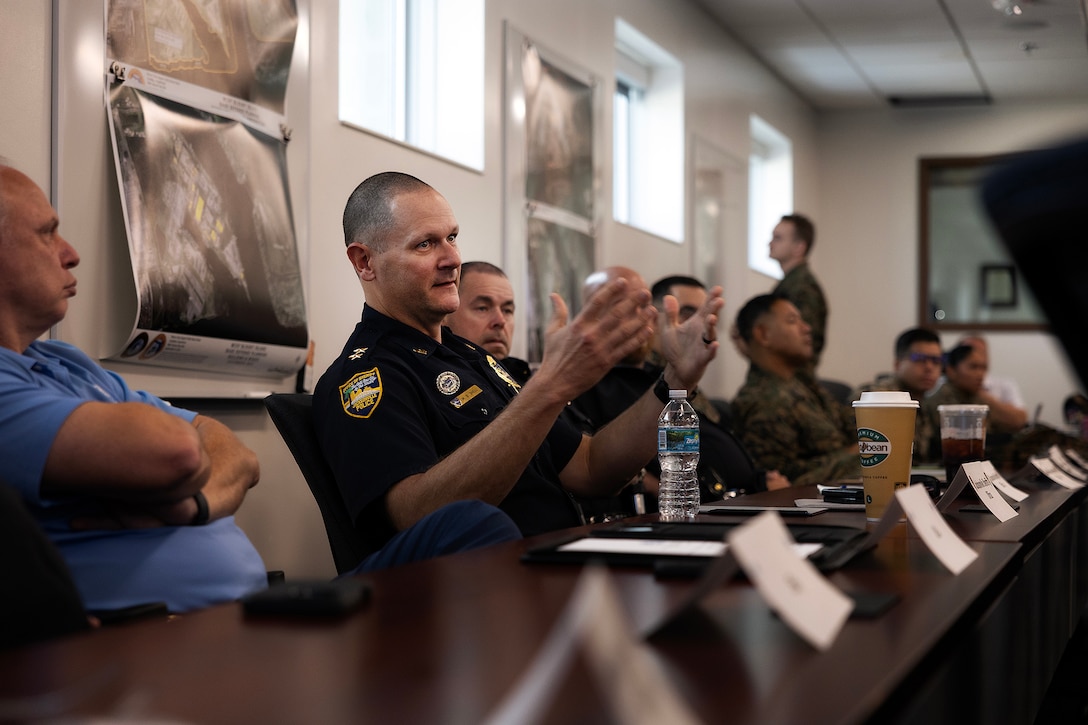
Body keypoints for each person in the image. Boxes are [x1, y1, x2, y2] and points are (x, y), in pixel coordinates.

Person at [313, 172, 723, 552]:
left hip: (563, 560)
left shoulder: (472, 358)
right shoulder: (365, 377)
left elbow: (591, 466)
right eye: (425, 244)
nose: (452, 259)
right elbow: (420, 516)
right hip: (476, 594)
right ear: (364, 262)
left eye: (452, 238)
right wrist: (549, 387)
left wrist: (675, 379)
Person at [0, 162, 267, 613]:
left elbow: (240, 456)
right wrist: (189, 458)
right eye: (47, 233)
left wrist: (194, 504)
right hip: (130, 648)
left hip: (234, 620)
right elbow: (177, 451)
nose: (70, 253)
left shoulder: (66, 362)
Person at [731, 293, 858, 487]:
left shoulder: (801, 383)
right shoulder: (762, 400)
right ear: (763, 334)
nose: (806, 328)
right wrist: (858, 455)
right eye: (792, 321)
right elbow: (780, 481)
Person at [855, 327, 943, 464]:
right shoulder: (877, 398)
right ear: (897, 364)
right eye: (920, 359)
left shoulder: (924, 402)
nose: (929, 367)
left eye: (936, 361)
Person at [444, 260, 531, 384]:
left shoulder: (526, 379)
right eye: (482, 308)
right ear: (445, 316)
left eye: (507, 310)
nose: (500, 321)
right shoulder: (432, 383)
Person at [769, 214, 828, 367]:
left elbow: (799, 345)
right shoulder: (791, 284)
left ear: (799, 248)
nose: (770, 243)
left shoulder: (803, 288)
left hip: (791, 379)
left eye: (778, 238)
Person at [957, 334, 1026, 409]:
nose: (976, 356)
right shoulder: (947, 386)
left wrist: (979, 392)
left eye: (981, 352)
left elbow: (1020, 417)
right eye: (969, 352)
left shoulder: (1005, 385)